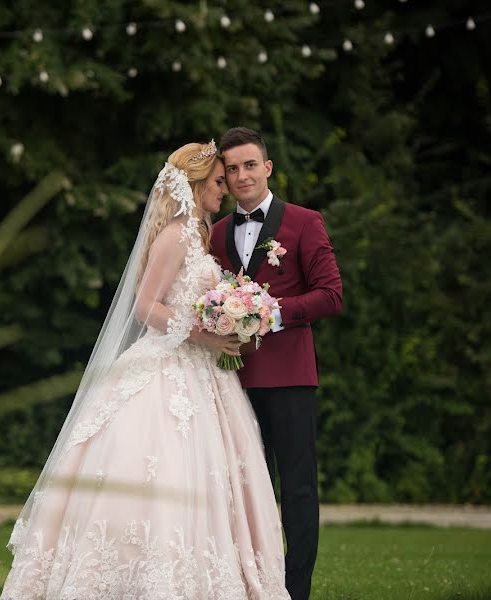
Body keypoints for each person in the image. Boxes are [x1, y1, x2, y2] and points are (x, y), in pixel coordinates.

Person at [1, 141, 291, 599]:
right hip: (169, 369)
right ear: (195, 185)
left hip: (205, 374)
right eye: (218, 181)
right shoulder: (176, 235)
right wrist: (204, 333)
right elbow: (145, 306)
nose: (226, 189)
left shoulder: (197, 237)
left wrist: (232, 319)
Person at [210, 127, 343, 600]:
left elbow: (331, 294)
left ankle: (297, 591)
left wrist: (274, 314)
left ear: (267, 168)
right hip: (231, 382)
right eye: (232, 168)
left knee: (298, 490)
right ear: (222, 177)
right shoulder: (217, 233)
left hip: (289, 376)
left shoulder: (305, 222)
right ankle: (255, 587)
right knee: (246, 491)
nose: (242, 175)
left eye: (250, 165)